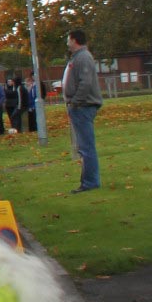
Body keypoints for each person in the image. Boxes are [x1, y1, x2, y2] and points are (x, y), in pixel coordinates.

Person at [63, 29, 104, 194]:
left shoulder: (84, 57)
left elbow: (85, 83)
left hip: (83, 107)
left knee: (86, 147)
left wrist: (75, 102)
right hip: (79, 106)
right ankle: (88, 180)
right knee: (83, 146)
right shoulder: (77, 57)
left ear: (74, 40)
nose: (67, 43)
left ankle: (90, 182)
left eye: (68, 39)